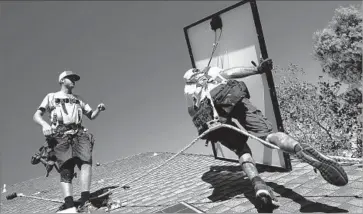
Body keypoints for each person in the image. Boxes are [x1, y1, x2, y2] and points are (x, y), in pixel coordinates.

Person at [183, 59, 348, 209]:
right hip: (228, 95)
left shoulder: (189, 90)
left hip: (213, 118)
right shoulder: (210, 72)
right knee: (267, 136)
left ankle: (258, 185)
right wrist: (257, 70)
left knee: (241, 150)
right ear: (198, 71)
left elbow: (194, 114)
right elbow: (231, 72)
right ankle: (299, 150)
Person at [33, 71, 106, 213]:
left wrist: (98, 109)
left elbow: (91, 115)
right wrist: (45, 125)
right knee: (66, 169)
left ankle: (85, 199)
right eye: (70, 78)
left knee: (86, 162)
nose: (74, 81)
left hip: (79, 133)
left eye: (75, 79)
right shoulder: (51, 97)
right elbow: (36, 115)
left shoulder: (79, 99)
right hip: (60, 135)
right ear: (61, 80)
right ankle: (69, 204)